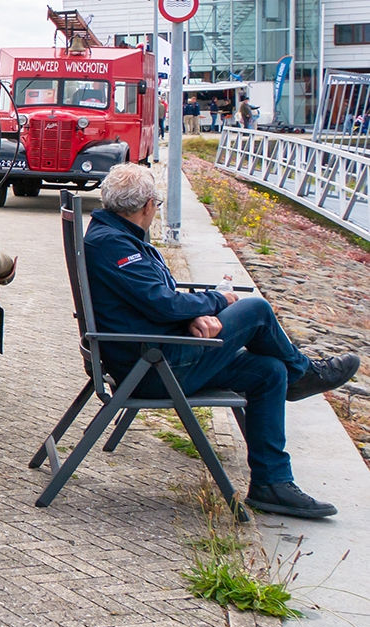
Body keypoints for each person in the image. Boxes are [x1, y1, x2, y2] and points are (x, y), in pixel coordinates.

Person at [83, 163, 359, 518]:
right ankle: (305, 375)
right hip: (153, 366)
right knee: (255, 310)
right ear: (148, 206)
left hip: (160, 351)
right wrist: (216, 300)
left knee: (269, 371)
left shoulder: (115, 235)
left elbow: (153, 300)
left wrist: (192, 314)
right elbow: (160, 302)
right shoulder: (113, 244)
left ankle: (271, 484)